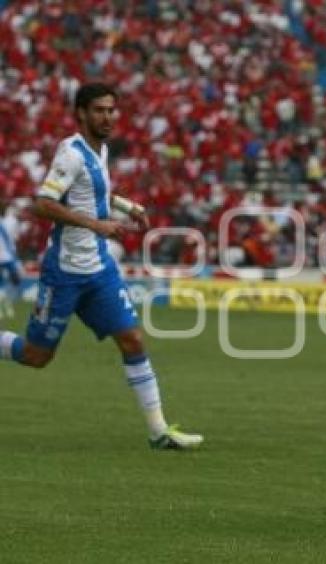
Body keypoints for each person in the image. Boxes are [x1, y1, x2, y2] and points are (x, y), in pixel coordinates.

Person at [0, 83, 203, 450]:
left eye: (111, 110)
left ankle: (159, 431)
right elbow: (42, 203)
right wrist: (97, 225)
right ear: (81, 113)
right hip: (64, 273)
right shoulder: (71, 152)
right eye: (99, 110)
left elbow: (94, 192)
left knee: (132, 339)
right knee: (36, 355)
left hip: (98, 270)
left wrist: (127, 206)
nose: (107, 117)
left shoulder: (100, 151)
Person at [0, 200, 23, 318]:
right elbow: (12, 241)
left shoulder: (9, 221)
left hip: (8, 256)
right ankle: (6, 306)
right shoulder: (10, 221)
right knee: (14, 280)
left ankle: (7, 305)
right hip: (7, 257)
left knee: (14, 280)